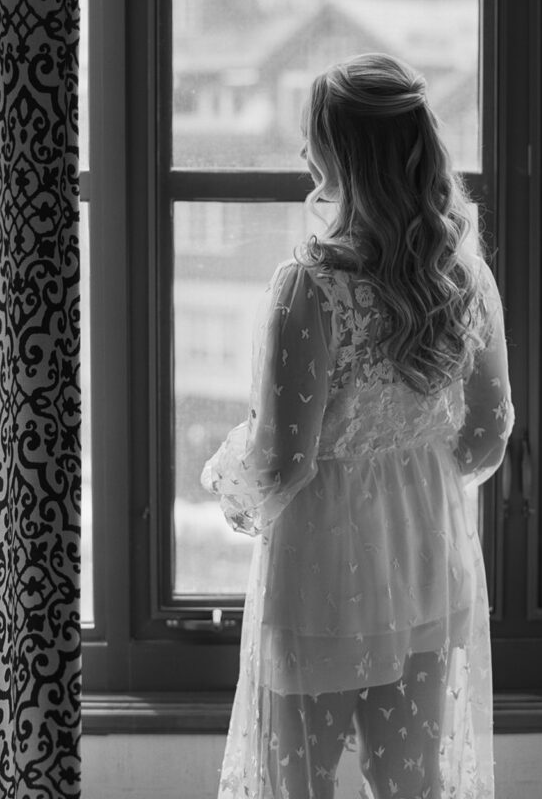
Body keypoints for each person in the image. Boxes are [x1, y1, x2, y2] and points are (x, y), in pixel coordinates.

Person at [201, 53, 514, 799]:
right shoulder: (461, 275)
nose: (302, 154)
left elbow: (282, 462)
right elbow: (488, 433)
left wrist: (224, 480)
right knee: (410, 786)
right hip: (425, 556)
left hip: (322, 571)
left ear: (339, 154)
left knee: (298, 783)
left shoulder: (309, 288)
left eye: (312, 138)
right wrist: (409, 465)